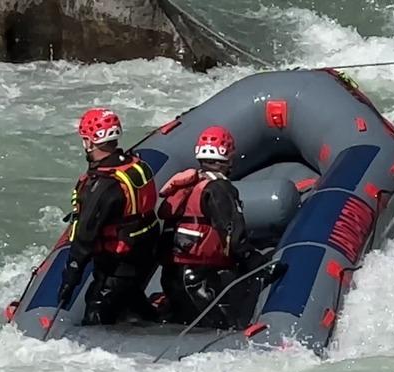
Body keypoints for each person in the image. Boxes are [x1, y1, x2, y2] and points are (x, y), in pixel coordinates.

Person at [157, 126, 286, 329]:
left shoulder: (189, 184)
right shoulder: (219, 188)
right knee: (219, 328)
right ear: (228, 157)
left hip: (172, 275)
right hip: (197, 280)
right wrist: (260, 265)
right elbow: (234, 236)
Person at [58, 108, 161, 325]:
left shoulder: (104, 186)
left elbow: (85, 237)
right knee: (131, 297)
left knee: (97, 309)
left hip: (118, 263)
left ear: (89, 142)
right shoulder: (135, 165)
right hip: (144, 253)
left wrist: (70, 279)